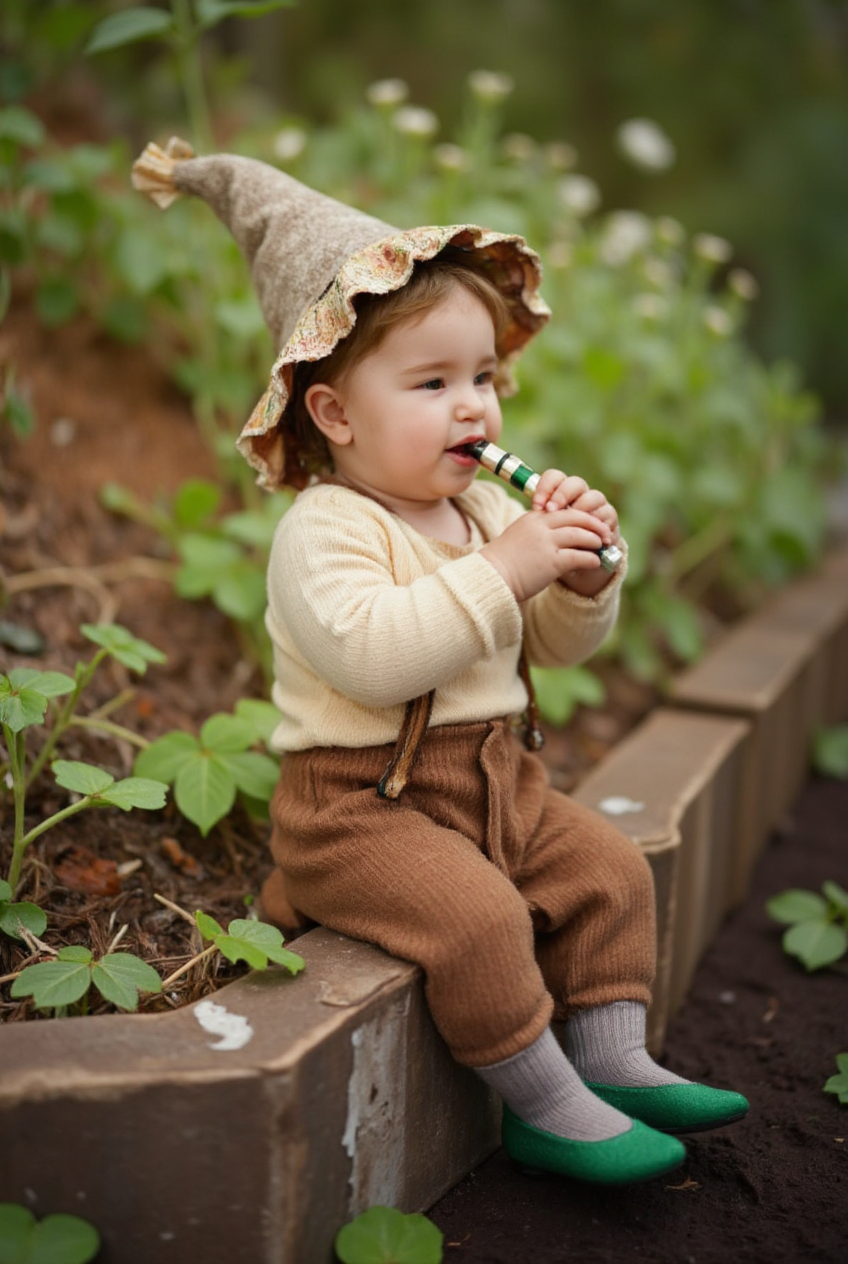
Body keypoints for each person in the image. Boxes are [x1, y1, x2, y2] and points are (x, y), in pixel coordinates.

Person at [133, 139, 749, 1185]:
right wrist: (505, 570)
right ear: (334, 413)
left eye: (483, 377)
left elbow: (549, 645)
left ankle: (613, 1061)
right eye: (432, 382)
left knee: (607, 871)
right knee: (478, 919)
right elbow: (377, 660)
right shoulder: (325, 529)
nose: (475, 406)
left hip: (494, 784)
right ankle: (543, 1105)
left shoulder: (486, 513)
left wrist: (579, 580)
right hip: (360, 809)